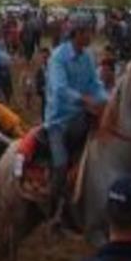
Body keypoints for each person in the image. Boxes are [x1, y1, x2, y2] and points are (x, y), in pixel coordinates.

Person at [44, 20, 109, 223]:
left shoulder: (88, 57)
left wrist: (107, 101)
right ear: (76, 34)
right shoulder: (58, 57)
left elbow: (95, 84)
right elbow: (59, 89)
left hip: (81, 115)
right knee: (61, 166)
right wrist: (84, 99)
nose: (91, 36)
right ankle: (50, 208)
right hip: (59, 121)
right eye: (87, 32)